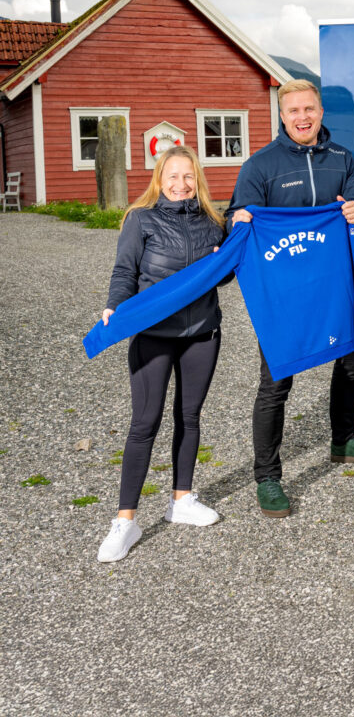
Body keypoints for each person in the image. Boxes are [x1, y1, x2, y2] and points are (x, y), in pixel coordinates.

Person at [227, 78, 354, 519]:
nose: (302, 117)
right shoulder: (260, 166)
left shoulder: (342, 159)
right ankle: (267, 476)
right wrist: (235, 220)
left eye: (309, 109)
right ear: (282, 115)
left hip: (333, 284)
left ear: (320, 112)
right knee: (276, 379)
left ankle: (343, 439)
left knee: (352, 360)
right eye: (294, 111)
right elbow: (238, 219)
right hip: (285, 292)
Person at [96, 145, 239, 563]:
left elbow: (224, 273)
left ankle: (182, 500)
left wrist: (228, 252)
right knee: (144, 423)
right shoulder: (140, 219)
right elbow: (124, 271)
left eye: (189, 176)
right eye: (173, 176)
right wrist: (114, 305)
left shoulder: (215, 221)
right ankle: (125, 522)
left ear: (199, 180)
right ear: (160, 178)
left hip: (202, 333)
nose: (181, 184)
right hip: (154, 333)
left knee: (189, 417)